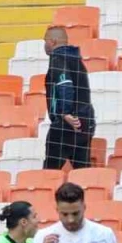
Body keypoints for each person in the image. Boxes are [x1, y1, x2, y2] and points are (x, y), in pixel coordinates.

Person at [42, 26, 94, 170]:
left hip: (67, 124)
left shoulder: (58, 59)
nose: (44, 45)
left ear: (52, 41)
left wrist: (65, 113)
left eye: (45, 41)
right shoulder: (77, 61)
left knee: (50, 171)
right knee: (82, 170)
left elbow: (65, 85)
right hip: (84, 121)